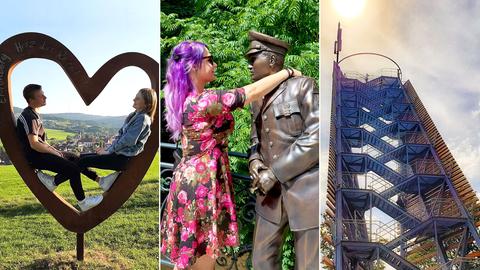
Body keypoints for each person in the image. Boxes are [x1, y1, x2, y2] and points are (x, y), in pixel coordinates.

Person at [160, 40, 301, 270]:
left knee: (193, 258)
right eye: (209, 59)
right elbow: (249, 93)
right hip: (202, 185)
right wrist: (287, 72)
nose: (215, 64)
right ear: (193, 66)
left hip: (189, 182)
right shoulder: (204, 100)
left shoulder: (185, 99)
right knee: (204, 258)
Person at [246, 31, 319, 270]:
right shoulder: (257, 97)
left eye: (252, 58)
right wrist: (254, 162)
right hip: (269, 197)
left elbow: (316, 136)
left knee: (307, 265)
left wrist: (274, 172)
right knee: (260, 262)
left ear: (270, 60)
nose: (248, 65)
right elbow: (254, 140)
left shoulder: (303, 86)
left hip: (306, 192)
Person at [16, 84, 102, 211]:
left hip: (41, 153)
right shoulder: (29, 116)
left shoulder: (33, 114)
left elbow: (42, 141)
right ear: (31, 100)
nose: (45, 97)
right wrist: (54, 153)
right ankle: (79, 200)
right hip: (36, 156)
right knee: (73, 168)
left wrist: (55, 150)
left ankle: (99, 180)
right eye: (41, 95)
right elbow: (34, 143)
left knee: (74, 158)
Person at [77, 88, 157, 191]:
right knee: (79, 158)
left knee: (82, 161)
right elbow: (120, 135)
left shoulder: (143, 119)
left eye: (137, 98)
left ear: (147, 104)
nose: (133, 100)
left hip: (121, 158)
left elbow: (128, 140)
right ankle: (101, 181)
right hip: (116, 153)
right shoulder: (133, 115)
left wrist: (108, 151)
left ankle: (57, 182)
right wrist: (107, 149)